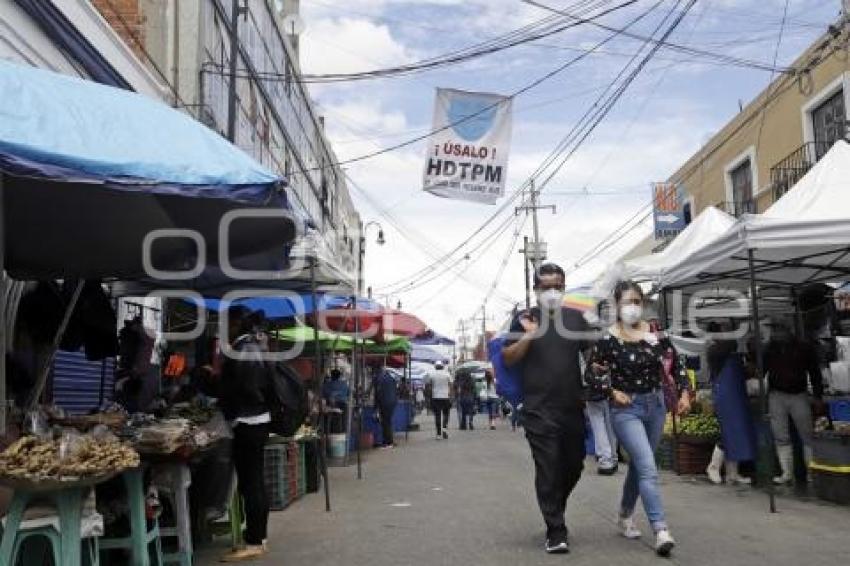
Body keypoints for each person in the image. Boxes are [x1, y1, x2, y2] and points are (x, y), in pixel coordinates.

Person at [587, 281, 691, 557]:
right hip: (626, 410)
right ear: (617, 307)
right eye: (626, 302)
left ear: (643, 303)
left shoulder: (657, 334)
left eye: (636, 301)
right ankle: (660, 529)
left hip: (655, 406)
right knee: (647, 467)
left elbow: (676, 366)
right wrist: (611, 391)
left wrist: (684, 394)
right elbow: (592, 375)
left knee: (639, 466)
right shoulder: (607, 340)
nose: (632, 307)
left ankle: (624, 513)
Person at [502, 263, 593, 554]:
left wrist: (600, 368)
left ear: (564, 288)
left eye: (557, 286)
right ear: (536, 289)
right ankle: (556, 529)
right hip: (538, 408)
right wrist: (528, 335)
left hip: (572, 406)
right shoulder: (525, 318)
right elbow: (508, 358)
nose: (552, 292)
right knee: (548, 466)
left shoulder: (577, 319)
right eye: (546, 287)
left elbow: (593, 355)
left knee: (574, 465)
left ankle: (556, 507)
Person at [219, 306, 272, 562]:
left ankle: (254, 541)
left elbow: (246, 386)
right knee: (255, 482)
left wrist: (218, 383)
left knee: (251, 483)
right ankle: (258, 538)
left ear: (237, 322)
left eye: (227, 323)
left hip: (248, 421)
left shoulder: (245, 348)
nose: (225, 329)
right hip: (256, 420)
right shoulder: (255, 345)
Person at [763, 325, 824, 484]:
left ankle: (812, 472)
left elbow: (814, 372)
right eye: (775, 331)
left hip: (799, 394)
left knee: (807, 434)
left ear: (788, 331)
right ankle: (787, 473)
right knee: (780, 435)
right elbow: (762, 370)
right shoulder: (769, 348)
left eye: (779, 330)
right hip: (776, 394)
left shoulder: (804, 347)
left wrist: (818, 395)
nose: (776, 333)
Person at [705, 331, 756, 485]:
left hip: (736, 397)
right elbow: (728, 346)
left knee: (736, 434)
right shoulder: (715, 352)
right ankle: (713, 467)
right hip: (725, 398)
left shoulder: (731, 355)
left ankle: (732, 473)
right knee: (727, 433)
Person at [374, 365, 399, 449]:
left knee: (385, 423)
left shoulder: (378, 378)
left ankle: (388, 443)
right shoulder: (391, 378)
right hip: (392, 402)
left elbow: (377, 393)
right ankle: (388, 441)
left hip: (384, 403)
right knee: (387, 422)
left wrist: (375, 406)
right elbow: (396, 391)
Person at [426, 362, 453, 440]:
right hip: (445, 397)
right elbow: (451, 385)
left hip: (435, 397)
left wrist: (430, 396)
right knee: (446, 414)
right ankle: (444, 430)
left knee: (437, 415)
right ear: (442, 367)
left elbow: (429, 386)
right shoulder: (447, 374)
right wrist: (450, 396)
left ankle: (438, 434)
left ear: (435, 367)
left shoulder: (432, 374)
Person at [322, 368, 350, 434]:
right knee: (344, 417)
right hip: (342, 404)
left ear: (331, 376)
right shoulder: (344, 384)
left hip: (330, 405)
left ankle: (326, 431)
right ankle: (344, 431)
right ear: (339, 376)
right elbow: (348, 394)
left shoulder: (326, 385)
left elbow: (323, 395)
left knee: (326, 417)